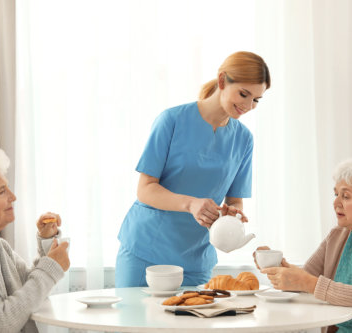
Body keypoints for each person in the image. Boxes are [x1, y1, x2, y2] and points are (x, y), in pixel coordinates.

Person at [116, 51, 271, 287]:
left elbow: (236, 201)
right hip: (145, 251)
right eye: (243, 94)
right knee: (134, 322)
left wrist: (231, 215)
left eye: (256, 100)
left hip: (195, 260)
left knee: (194, 320)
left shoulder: (244, 139)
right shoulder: (171, 120)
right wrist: (191, 204)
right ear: (222, 81)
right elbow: (145, 190)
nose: (249, 106)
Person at [254, 155, 352, 333]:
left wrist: (310, 284)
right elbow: (303, 280)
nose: (336, 202)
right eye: (336, 194)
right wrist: (276, 266)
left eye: (345, 196)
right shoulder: (338, 236)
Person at [0, 145, 70, 333]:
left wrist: (47, 244)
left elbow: (30, 293)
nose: (13, 197)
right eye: (2, 191)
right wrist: (51, 269)